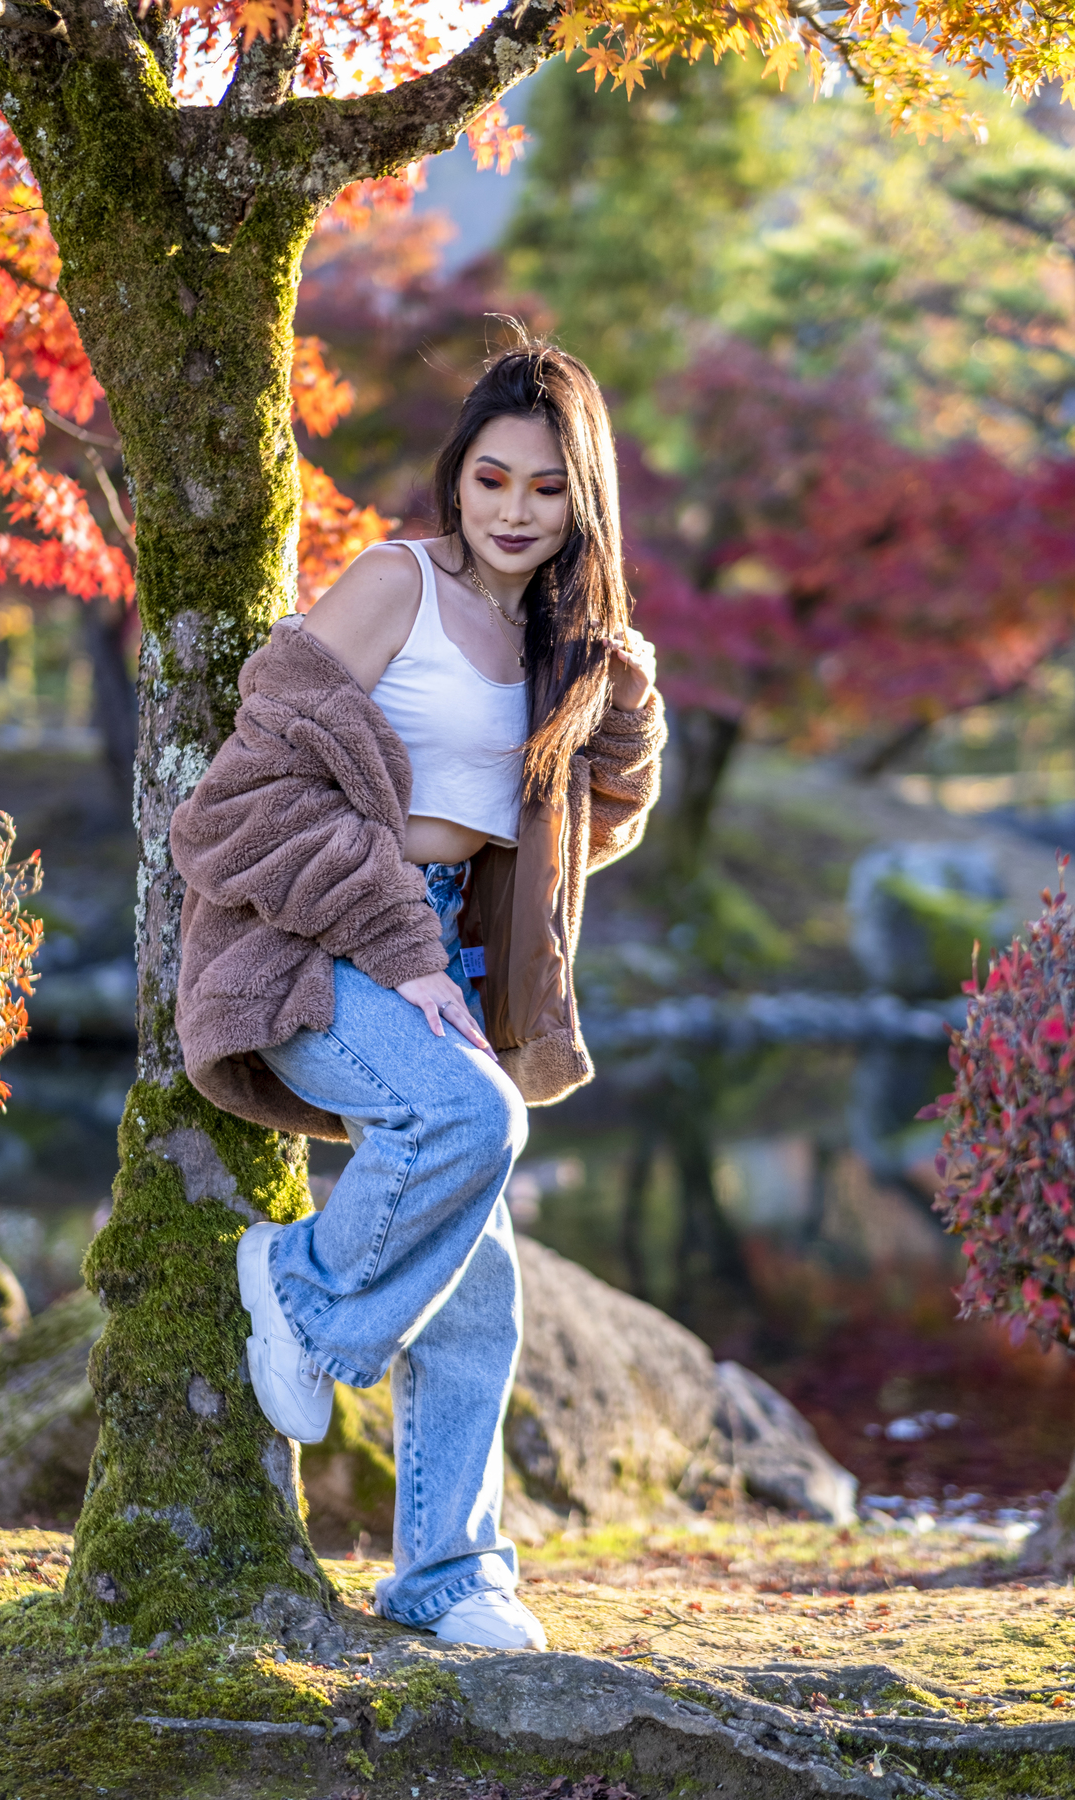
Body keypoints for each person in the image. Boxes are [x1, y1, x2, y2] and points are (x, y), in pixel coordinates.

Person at [169, 337, 666, 1652]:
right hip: (319, 944)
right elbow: (241, 806)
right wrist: (399, 943)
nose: (514, 510)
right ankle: (299, 1284)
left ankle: (450, 1573)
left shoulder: (557, 640)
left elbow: (587, 830)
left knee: (482, 1283)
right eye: (491, 478)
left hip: (459, 959)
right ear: (458, 477)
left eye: (546, 489)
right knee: (474, 1123)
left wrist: (623, 708)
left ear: (581, 501)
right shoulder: (398, 584)